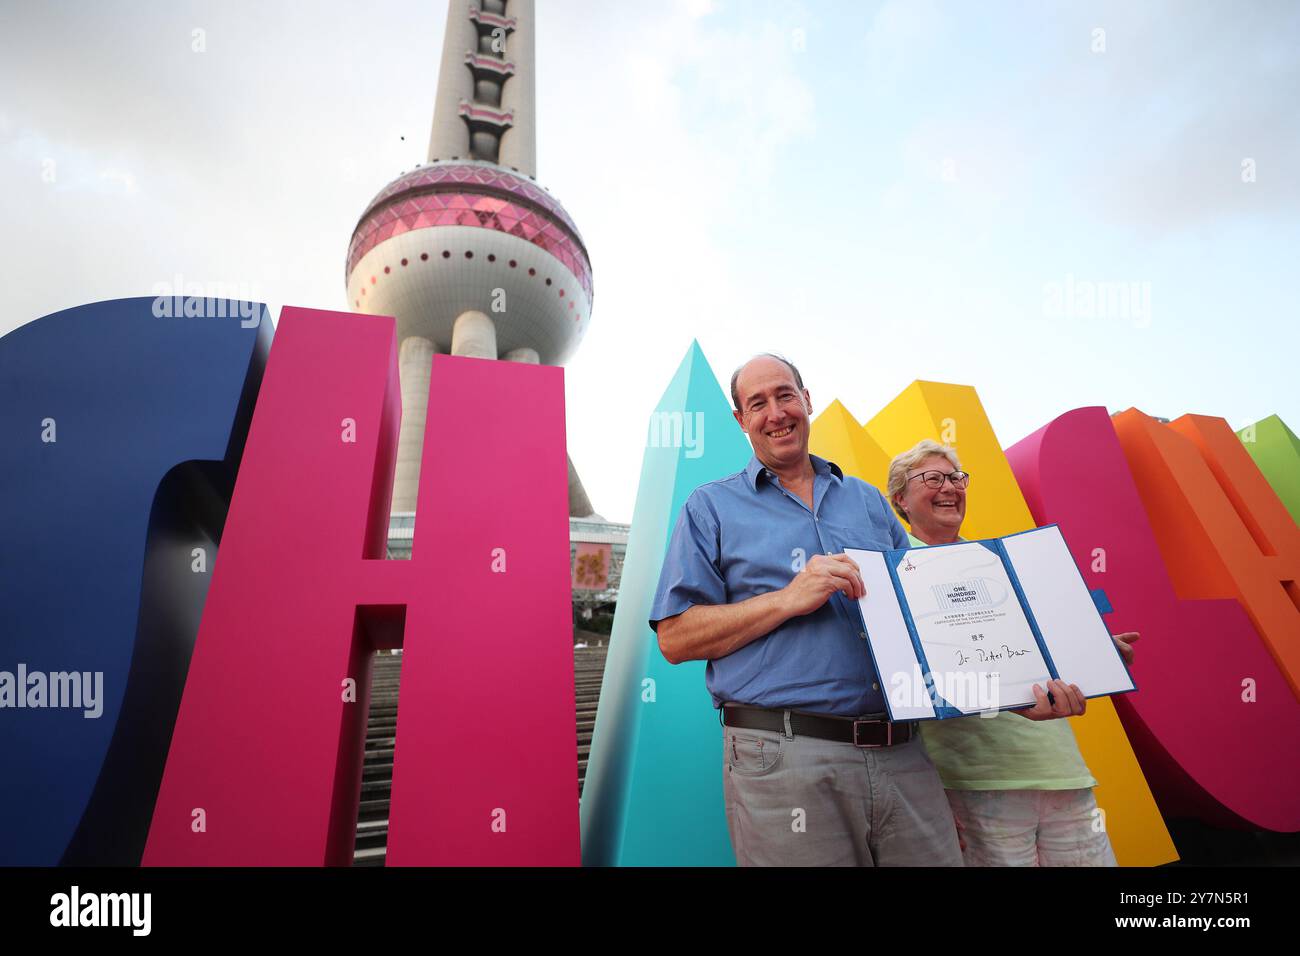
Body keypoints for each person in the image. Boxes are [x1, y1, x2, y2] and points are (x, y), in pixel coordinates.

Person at [648, 354, 1085, 866]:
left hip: (904, 752)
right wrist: (788, 599)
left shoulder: (869, 502)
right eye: (757, 403)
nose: (776, 412)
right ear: (741, 420)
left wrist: (1017, 695)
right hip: (785, 754)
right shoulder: (710, 507)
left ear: (807, 401)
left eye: (785, 395)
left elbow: (929, 622)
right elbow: (675, 637)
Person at [887, 438, 1139, 867]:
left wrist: (1093, 652)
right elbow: (911, 686)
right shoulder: (896, 573)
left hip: (1062, 772)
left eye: (956, 478)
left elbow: (1041, 648)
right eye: (932, 478)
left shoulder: (1006, 567)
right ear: (900, 500)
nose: (949, 487)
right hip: (977, 783)